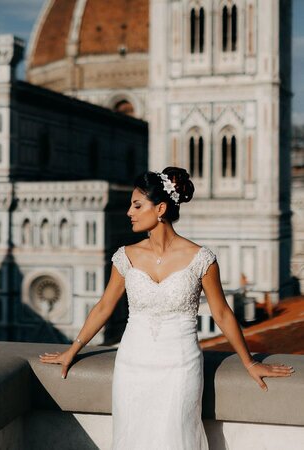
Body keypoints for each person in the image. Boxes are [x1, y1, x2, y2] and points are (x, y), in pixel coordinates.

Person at [39, 167, 295, 449]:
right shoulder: (125, 257)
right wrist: (72, 350)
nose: (129, 212)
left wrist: (249, 362)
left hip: (180, 367)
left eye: (137, 205)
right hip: (132, 366)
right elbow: (104, 307)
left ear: (160, 208)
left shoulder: (201, 259)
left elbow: (222, 313)